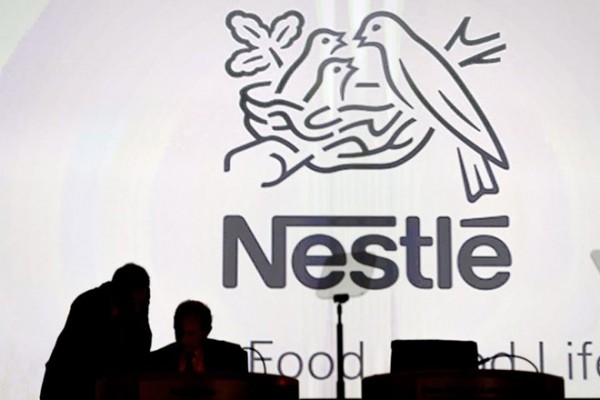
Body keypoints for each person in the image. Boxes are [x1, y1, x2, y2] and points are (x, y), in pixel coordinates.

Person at [40, 263, 152, 400]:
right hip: (65, 388)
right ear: (120, 296)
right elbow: (87, 362)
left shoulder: (135, 307)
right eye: (133, 304)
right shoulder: (87, 306)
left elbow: (141, 347)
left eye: (141, 304)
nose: (137, 310)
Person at [147, 300, 247, 374]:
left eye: (191, 334)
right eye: (180, 333)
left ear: (206, 331)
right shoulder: (157, 361)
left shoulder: (230, 357)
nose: (184, 340)